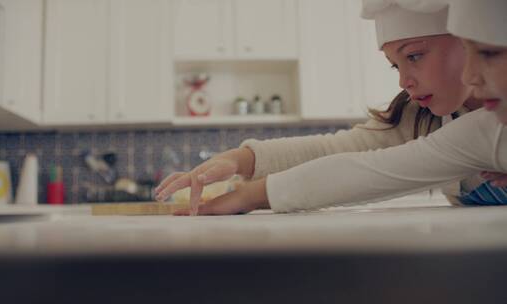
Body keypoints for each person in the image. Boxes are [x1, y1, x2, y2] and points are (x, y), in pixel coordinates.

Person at [155, 0, 505, 215]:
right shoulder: (425, 118)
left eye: (414, 56)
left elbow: (367, 172)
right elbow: (340, 149)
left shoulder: (491, 127)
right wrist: (238, 159)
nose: (404, 81)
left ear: (467, 41)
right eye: (396, 65)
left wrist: (249, 196)